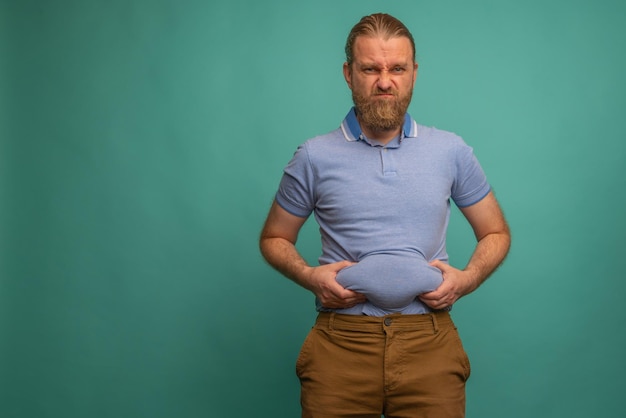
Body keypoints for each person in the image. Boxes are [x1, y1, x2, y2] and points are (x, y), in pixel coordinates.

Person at [259, 12, 511, 418]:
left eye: (397, 68)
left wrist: (467, 279)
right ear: (348, 73)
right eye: (370, 68)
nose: (384, 81)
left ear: (414, 72)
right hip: (340, 344)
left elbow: (496, 232)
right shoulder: (314, 156)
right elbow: (273, 238)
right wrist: (309, 276)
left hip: (429, 342)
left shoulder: (451, 151)